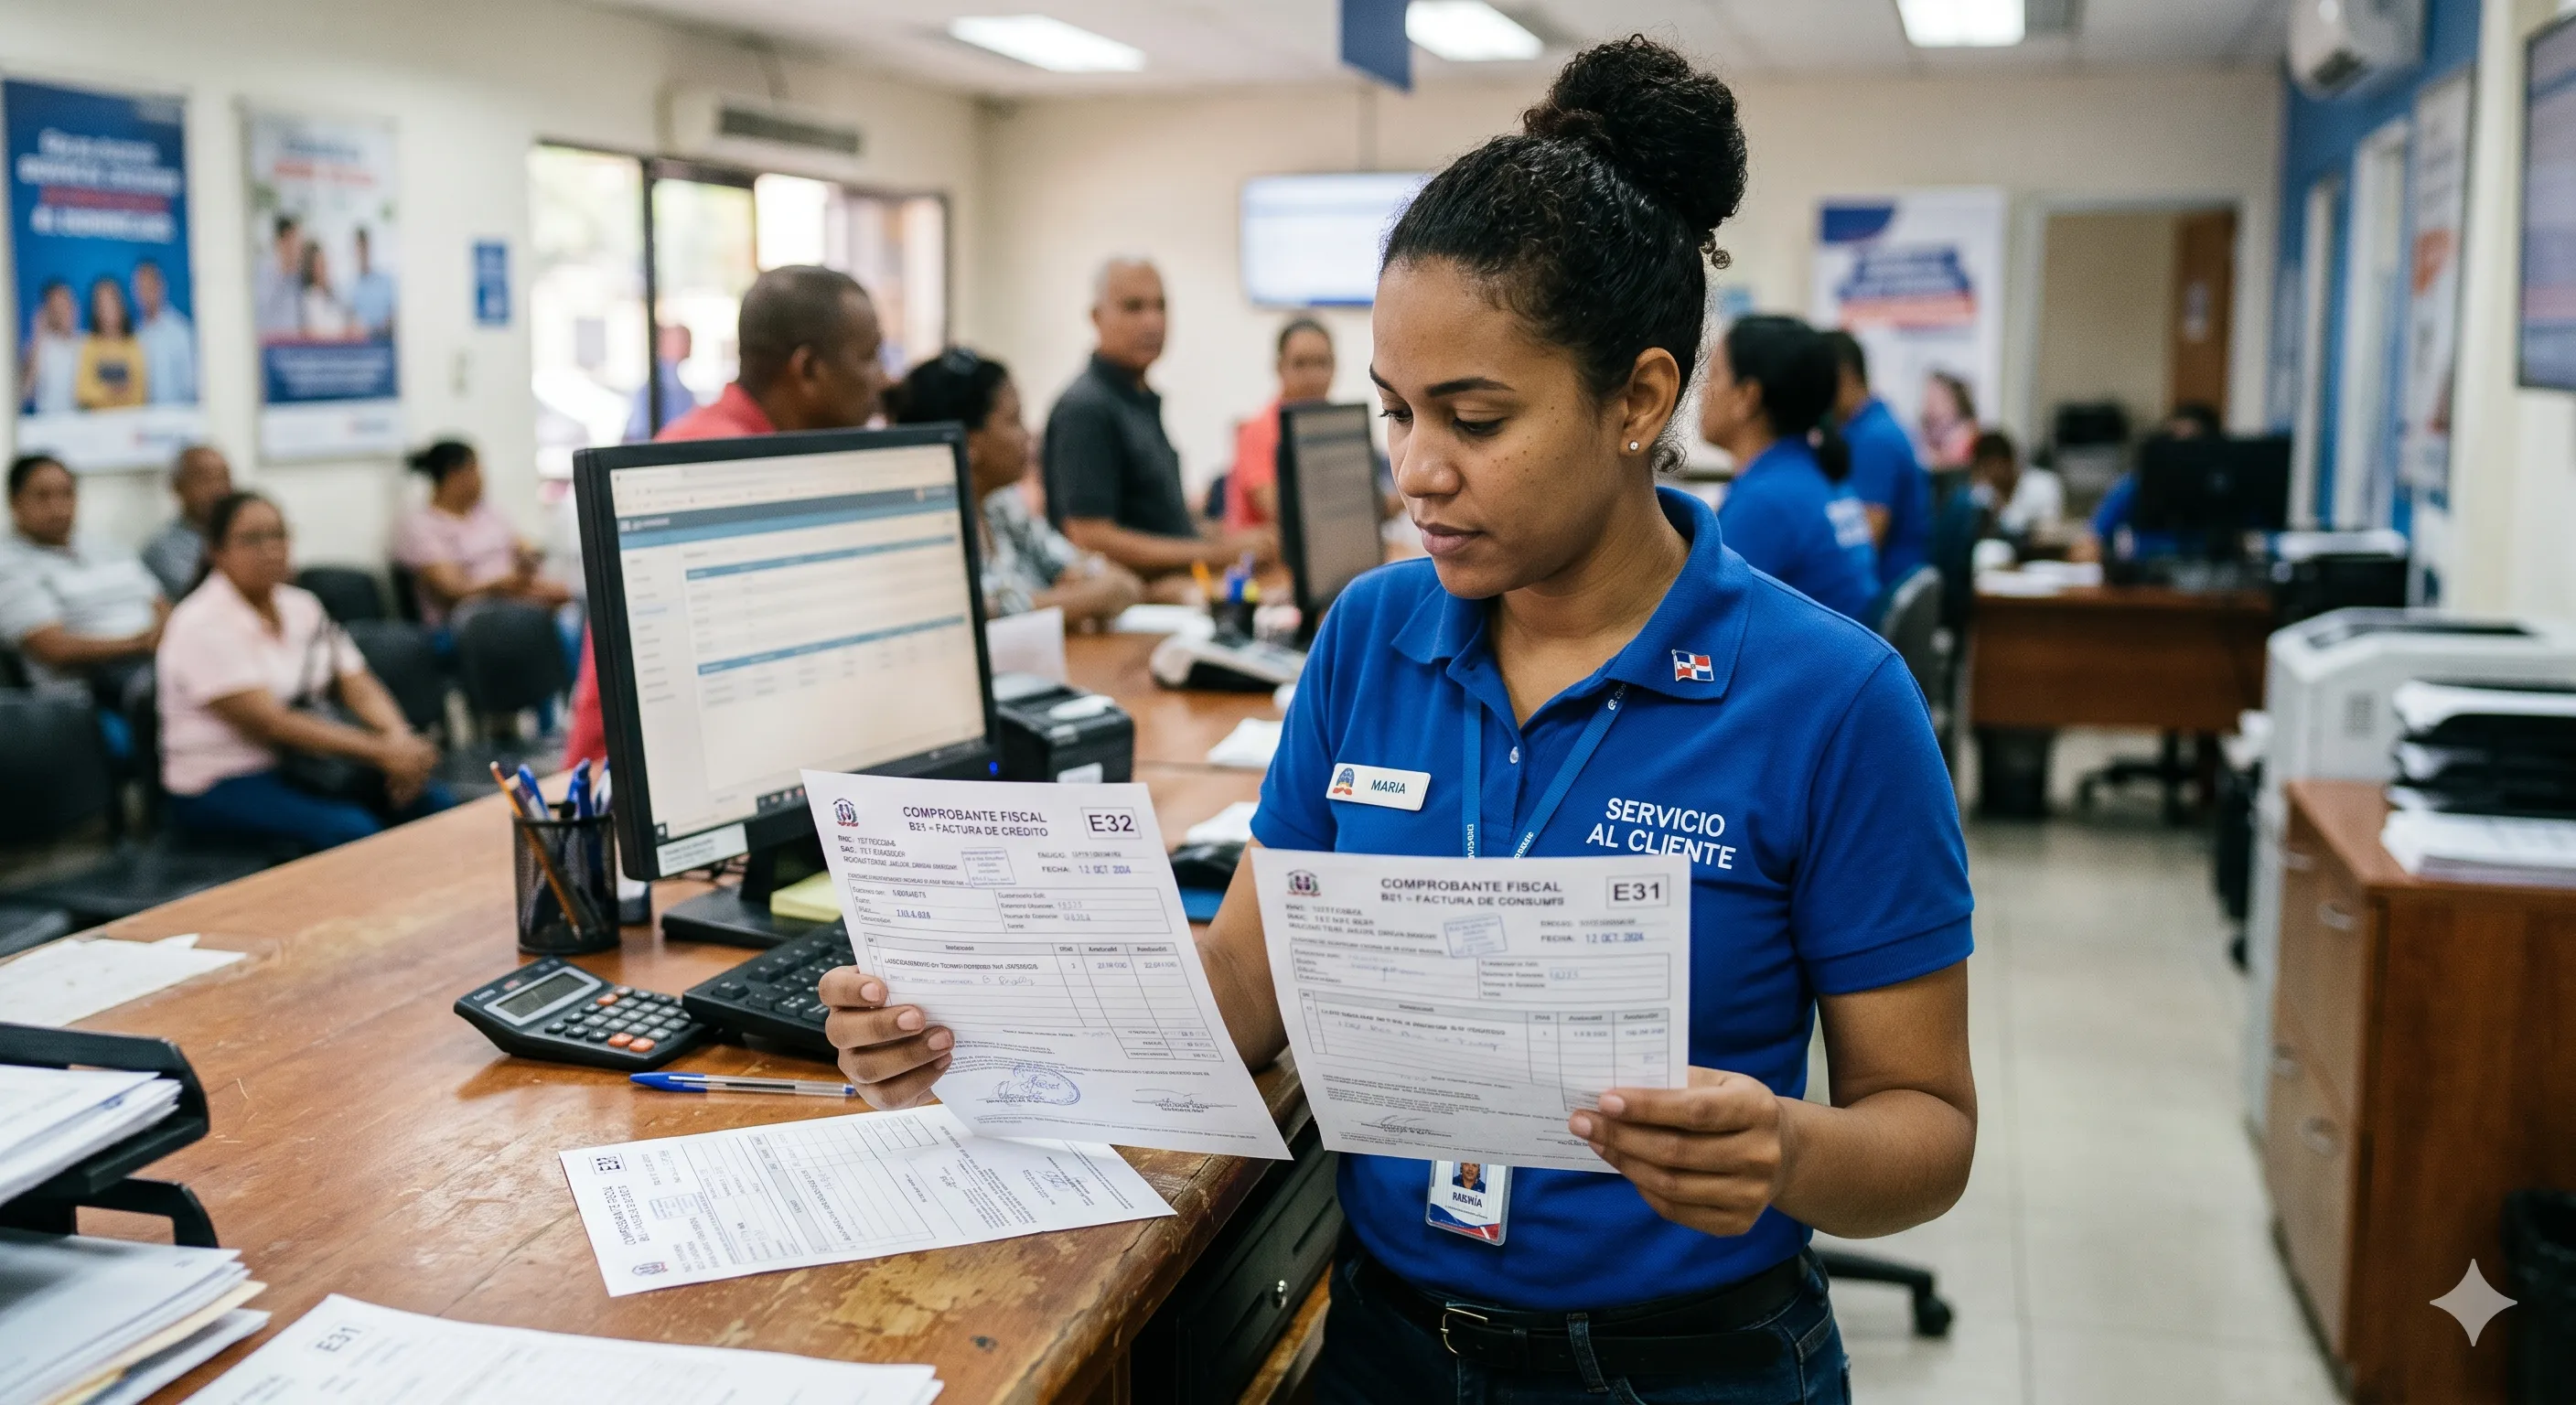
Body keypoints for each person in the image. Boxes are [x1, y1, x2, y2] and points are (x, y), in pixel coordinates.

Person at [822, 37, 1975, 1405]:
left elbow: (1930, 1131)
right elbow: (1242, 993)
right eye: (1395, 412)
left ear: (1640, 400)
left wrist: (1784, 1151)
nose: (1418, 473)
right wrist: (968, 1031)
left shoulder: (1830, 698)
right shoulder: (1373, 634)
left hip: (1681, 1366)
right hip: (1389, 1347)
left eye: (1475, 419)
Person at [563, 264, 890, 767]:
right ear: (808, 370)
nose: (883, 379)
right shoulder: (715, 465)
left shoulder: (764, 450)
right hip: (634, 785)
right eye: (869, 357)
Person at [158, 490, 452, 852]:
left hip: (304, 765)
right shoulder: (200, 622)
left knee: (430, 803)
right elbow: (271, 721)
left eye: (279, 535)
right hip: (221, 782)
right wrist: (380, 752)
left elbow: (357, 683)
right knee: (352, 830)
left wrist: (398, 739)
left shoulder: (302, 606)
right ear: (216, 551)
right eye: (252, 539)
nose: (270, 548)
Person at [1044, 256, 1273, 590]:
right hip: (1134, 608)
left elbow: (1158, 522)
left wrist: (1223, 536)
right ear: (1096, 318)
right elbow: (1090, 537)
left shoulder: (1137, 397)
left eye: (1160, 307)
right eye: (1134, 307)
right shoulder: (1085, 408)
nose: (1152, 321)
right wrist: (1214, 553)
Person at [887, 347, 1143, 626]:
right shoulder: (924, 529)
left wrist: (1084, 587)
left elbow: (1093, 573)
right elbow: (978, 617)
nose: (1027, 434)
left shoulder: (1002, 503)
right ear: (969, 443)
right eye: (1014, 420)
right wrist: (1087, 598)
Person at [1702, 316, 1882, 623]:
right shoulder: (1816, 475)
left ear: (1747, 397)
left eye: (1715, 375)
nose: (1702, 391)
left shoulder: (1766, 502)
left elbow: (1703, 620)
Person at [0, 454, 167, 698]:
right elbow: (54, 649)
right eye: (42, 496)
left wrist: (165, 634)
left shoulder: (106, 546)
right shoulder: (9, 565)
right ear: (15, 503)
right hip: (90, 685)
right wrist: (138, 645)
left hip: (153, 658)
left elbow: (160, 602)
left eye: (66, 494)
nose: (58, 509)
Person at [392, 439, 573, 628]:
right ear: (456, 474)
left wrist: (529, 558)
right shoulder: (421, 525)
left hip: (512, 599)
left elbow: (522, 545)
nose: (482, 479)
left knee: (574, 597)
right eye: (476, 469)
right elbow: (452, 589)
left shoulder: (486, 513)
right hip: (467, 618)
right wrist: (502, 585)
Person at [1823, 331, 1929, 588]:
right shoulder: (1871, 426)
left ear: (1844, 376)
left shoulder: (1874, 439)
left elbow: (1865, 542)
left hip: (1882, 592)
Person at [1223, 317, 1337, 531]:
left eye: (1322, 363)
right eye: (1300, 364)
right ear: (1279, 368)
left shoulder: (1335, 427)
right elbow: (1282, 511)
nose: (1312, 377)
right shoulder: (1258, 430)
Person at [2076, 401, 2223, 562]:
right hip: (2146, 580)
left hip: (2210, 578)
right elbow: (2086, 546)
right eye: (2172, 441)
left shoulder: (2222, 487)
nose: (2179, 453)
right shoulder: (2134, 485)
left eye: (2190, 445)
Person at [143, 445, 236, 600]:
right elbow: (203, 597)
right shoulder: (162, 550)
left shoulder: (240, 537)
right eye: (205, 479)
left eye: (223, 478)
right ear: (177, 486)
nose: (217, 489)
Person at [1969, 429, 2064, 542]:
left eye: (1996, 465)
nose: (1992, 474)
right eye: (1985, 469)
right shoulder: (1982, 494)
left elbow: (2048, 532)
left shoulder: (2044, 485)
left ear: (2010, 461)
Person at [74, 275, 147, 410]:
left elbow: (140, 393)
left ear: (122, 304)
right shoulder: (89, 345)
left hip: (130, 421)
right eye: (101, 304)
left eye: (112, 301)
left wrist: (120, 391)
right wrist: (110, 391)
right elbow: (83, 392)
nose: (107, 309)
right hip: (98, 425)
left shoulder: (133, 344)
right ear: (94, 309)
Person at [132, 260, 198, 407]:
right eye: (140, 289)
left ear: (160, 287)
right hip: (143, 421)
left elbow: (191, 385)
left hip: (178, 419)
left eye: (149, 287)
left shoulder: (181, 331)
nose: (145, 295)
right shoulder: (134, 335)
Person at [623, 324, 703, 443]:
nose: (690, 345)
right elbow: (637, 436)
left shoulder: (682, 391)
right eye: (682, 339)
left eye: (689, 339)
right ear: (664, 343)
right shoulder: (651, 390)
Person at [19, 280, 79, 416]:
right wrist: (37, 335)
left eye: (68, 303)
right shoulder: (39, 347)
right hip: (47, 425)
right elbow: (24, 394)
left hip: (81, 424)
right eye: (57, 307)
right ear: (48, 312)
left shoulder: (86, 343)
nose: (65, 311)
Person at [254, 216, 305, 338]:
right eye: (297, 240)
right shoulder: (263, 272)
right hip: (270, 347)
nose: (300, 247)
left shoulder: (296, 276)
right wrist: (282, 272)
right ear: (286, 239)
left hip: (293, 348)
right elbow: (261, 310)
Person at [1916, 370, 1978, 470]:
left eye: (1937, 398)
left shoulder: (1966, 433)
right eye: (1928, 398)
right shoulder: (1926, 432)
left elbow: (1948, 464)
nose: (1930, 404)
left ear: (1954, 401)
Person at [347, 227, 396, 339]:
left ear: (369, 247)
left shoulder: (386, 282)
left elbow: (394, 316)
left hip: (385, 344)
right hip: (361, 347)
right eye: (359, 248)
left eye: (364, 247)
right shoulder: (349, 287)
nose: (362, 252)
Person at [297, 242, 354, 340]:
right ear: (313, 269)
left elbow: (348, 322)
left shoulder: (337, 296)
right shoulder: (307, 299)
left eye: (326, 264)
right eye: (321, 265)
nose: (326, 269)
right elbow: (312, 332)